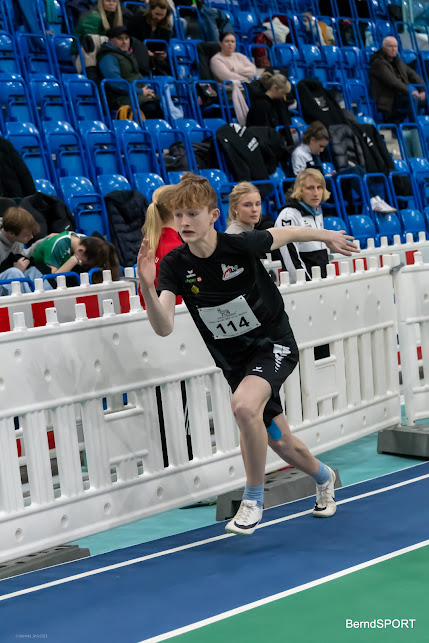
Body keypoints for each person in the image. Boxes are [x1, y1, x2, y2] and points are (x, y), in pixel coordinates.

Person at [137, 173, 359, 536]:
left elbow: (289, 233)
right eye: (178, 216)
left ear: (213, 215)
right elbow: (163, 327)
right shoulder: (175, 264)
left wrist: (327, 236)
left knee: (242, 406)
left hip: (273, 344)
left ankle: (253, 499)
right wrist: (147, 286)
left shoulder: (240, 245)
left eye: (192, 214)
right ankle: (324, 477)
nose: (184, 222)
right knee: (281, 441)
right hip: (236, 362)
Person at [292, 121, 396, 213]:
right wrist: (322, 178)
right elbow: (300, 180)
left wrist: (327, 175)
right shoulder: (299, 154)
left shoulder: (314, 153)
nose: (322, 150)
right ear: (312, 140)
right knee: (354, 171)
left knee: (358, 169)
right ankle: (370, 200)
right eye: (321, 146)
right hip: (316, 189)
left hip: (322, 183)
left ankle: (375, 199)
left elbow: (315, 173)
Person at [275, 169, 330, 283]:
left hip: (321, 282)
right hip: (303, 286)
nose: (316, 193)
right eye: (310, 188)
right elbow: (290, 260)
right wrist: (306, 284)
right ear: (300, 190)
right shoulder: (288, 215)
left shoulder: (317, 211)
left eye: (319, 187)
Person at [96, 25, 164, 117]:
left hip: (135, 94)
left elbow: (137, 76)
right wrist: (140, 92)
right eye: (120, 39)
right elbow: (115, 83)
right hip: (119, 98)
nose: (124, 42)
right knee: (151, 108)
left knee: (160, 103)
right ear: (111, 40)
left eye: (126, 38)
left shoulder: (128, 55)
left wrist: (146, 90)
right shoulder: (108, 57)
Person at [137, 185, 183, 308]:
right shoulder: (176, 248)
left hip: (152, 313)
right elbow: (179, 299)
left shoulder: (150, 243)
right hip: (174, 315)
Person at [369, 36, 426, 123]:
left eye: (395, 46)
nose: (393, 49)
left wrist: (422, 90)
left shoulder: (398, 61)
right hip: (388, 98)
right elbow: (393, 81)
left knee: (426, 96)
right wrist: (410, 91)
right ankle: (414, 126)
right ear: (384, 48)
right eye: (390, 46)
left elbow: (414, 76)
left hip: (402, 95)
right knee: (413, 98)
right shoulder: (378, 63)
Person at [29, 231, 120, 283]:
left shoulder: (84, 241)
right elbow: (54, 278)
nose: (85, 266)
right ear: (81, 251)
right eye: (85, 264)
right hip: (34, 266)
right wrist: (74, 259)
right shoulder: (58, 245)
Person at [0, 207, 49, 295]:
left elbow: (23, 254)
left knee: (34, 271)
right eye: (26, 235)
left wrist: (46, 240)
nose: (31, 237)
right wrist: (16, 269)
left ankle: (47, 299)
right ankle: (29, 303)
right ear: (11, 233)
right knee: (14, 273)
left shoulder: (16, 239)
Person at [246, 73, 293, 146]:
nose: (284, 96)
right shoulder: (260, 104)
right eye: (283, 92)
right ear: (274, 88)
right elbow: (261, 130)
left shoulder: (279, 102)